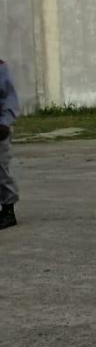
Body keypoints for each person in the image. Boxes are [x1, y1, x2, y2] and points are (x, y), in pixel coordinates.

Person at [0, 60, 20, 230]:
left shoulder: (0, 68)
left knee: (1, 170)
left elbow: (10, 98)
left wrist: (5, 123)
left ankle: (8, 211)